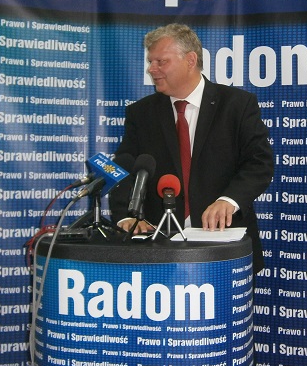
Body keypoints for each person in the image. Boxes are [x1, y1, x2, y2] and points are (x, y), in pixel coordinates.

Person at [109, 23, 274, 272]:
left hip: (223, 245)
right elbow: (124, 166)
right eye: (151, 62)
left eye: (161, 61)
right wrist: (125, 215)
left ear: (190, 60)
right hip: (158, 247)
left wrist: (229, 200)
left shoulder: (237, 105)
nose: (151, 69)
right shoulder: (141, 113)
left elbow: (259, 163)